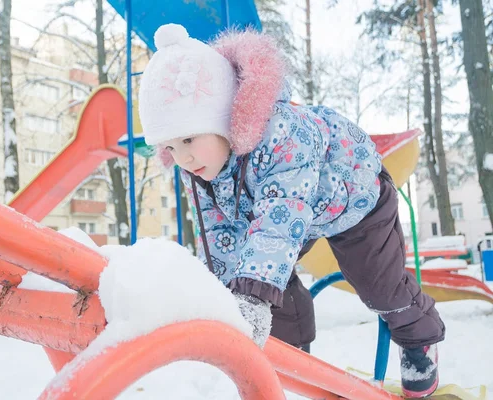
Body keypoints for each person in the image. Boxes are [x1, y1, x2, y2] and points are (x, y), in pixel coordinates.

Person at [138, 23, 445, 398]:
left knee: (378, 285)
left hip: (355, 197)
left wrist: (251, 298)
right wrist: (226, 295)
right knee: (253, 275)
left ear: (222, 119)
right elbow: (219, 238)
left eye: (188, 139)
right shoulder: (198, 165)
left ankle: (419, 343)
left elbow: (278, 223)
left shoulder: (282, 135)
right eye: (170, 146)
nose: (182, 156)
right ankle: (289, 352)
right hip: (299, 212)